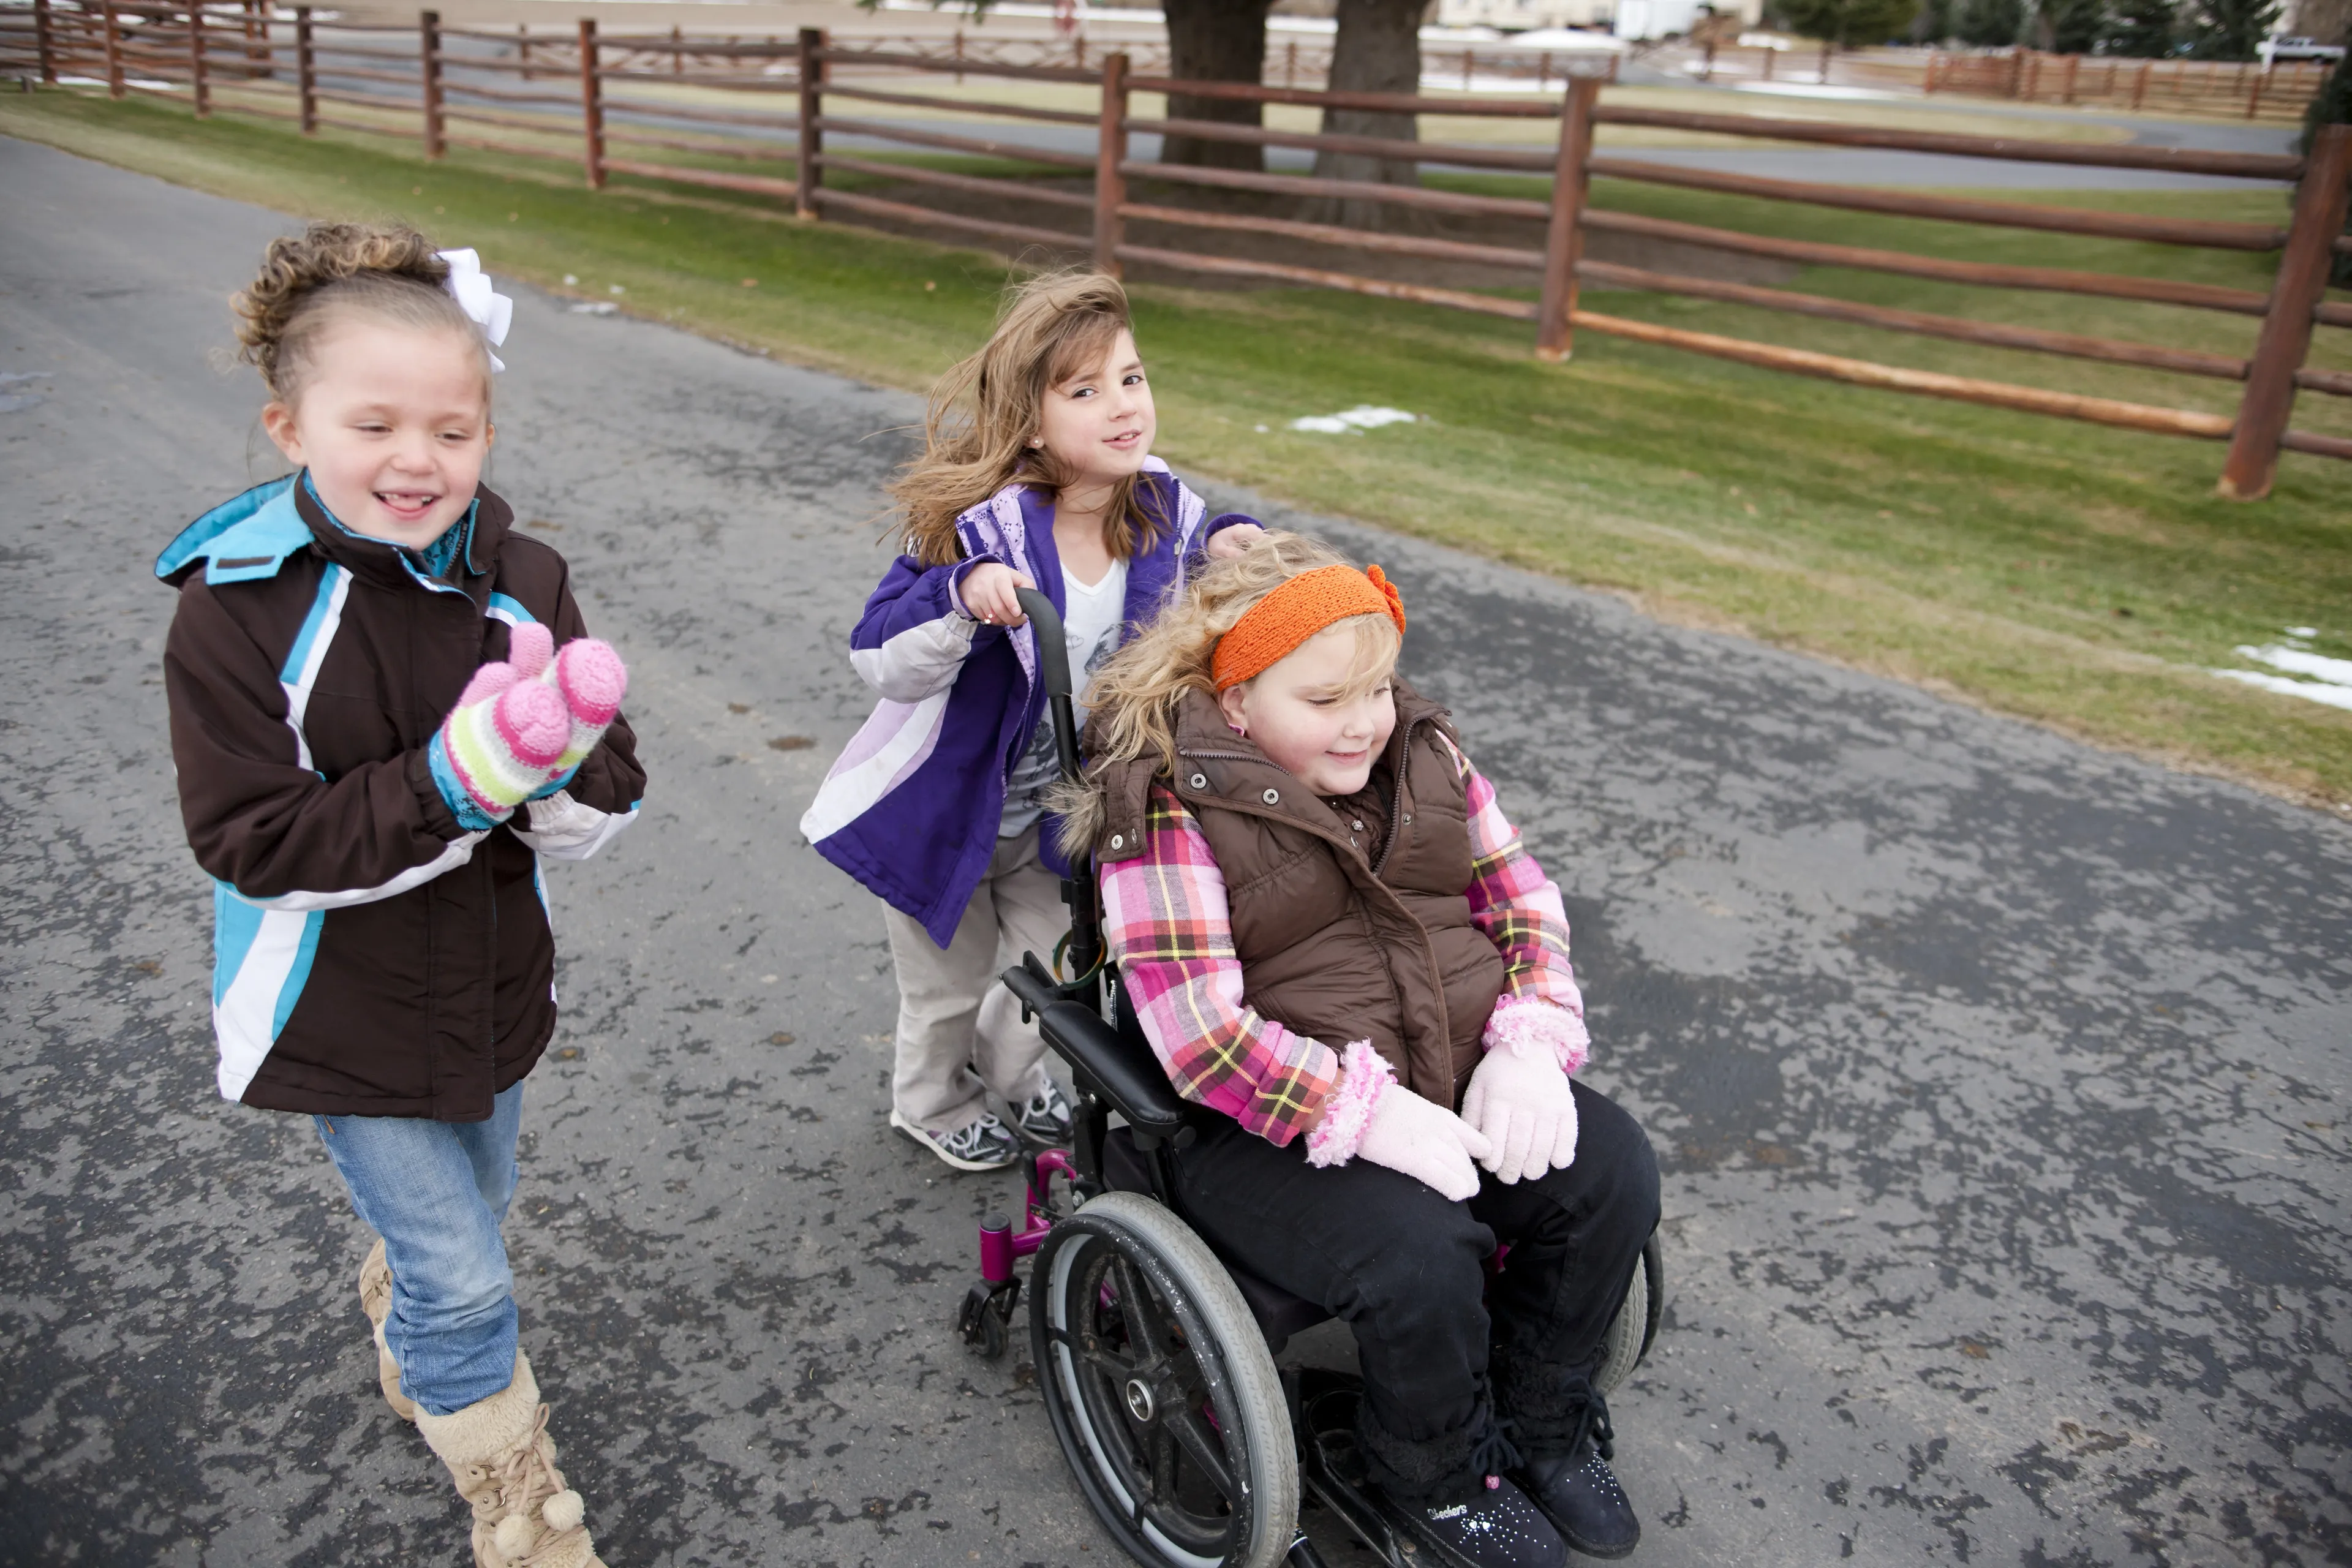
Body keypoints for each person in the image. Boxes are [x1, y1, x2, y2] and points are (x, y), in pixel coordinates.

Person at [156, 222, 643, 1568]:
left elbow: (610, 791)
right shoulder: (234, 609)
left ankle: (413, 1294)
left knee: (470, 1214)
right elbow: (255, 839)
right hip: (338, 1007)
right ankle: (521, 1505)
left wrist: (551, 773)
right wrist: (464, 770)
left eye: (453, 427)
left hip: (488, 978)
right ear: (287, 423)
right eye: (373, 423)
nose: (417, 459)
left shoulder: (523, 575)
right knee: (468, 1271)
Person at [1060, 533, 1662, 1567]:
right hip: (1253, 1125)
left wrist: (1527, 1040)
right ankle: (1427, 1469)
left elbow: (1523, 903)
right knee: (1417, 1253)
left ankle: (1541, 1416)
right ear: (1237, 701)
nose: (1365, 724)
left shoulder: (1426, 754)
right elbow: (1199, 1035)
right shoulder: (1165, 805)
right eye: (1326, 700)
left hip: (1455, 1059)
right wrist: (1358, 1109)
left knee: (1610, 1174)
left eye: (1376, 689)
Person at [800, 271, 1262, 1174]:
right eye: (1085, 391)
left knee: (1055, 977)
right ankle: (929, 1100)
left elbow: (1200, 558)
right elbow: (877, 650)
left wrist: (1233, 541)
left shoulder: (1163, 510)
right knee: (943, 988)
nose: (1123, 405)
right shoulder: (982, 532)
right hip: (947, 813)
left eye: (1132, 378)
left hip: (1061, 815)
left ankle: (1011, 1075)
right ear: (1031, 418)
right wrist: (962, 597)